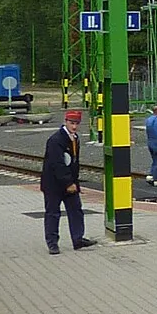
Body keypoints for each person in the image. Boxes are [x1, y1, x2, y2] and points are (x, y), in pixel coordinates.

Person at [41, 109, 94, 254]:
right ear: (65, 122)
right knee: (53, 213)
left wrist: (75, 183)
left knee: (76, 210)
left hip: (70, 182)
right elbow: (57, 164)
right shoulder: (56, 140)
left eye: (77, 123)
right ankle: (52, 243)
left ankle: (78, 239)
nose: (74, 127)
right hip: (53, 185)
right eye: (72, 123)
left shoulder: (75, 138)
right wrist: (68, 183)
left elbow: (74, 164)